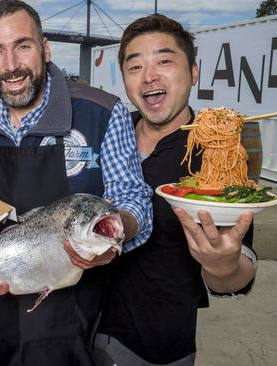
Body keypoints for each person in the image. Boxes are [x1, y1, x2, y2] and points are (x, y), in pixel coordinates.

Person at [0, 1, 153, 365]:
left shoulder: (101, 112)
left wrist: (114, 234)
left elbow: (133, 198)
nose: (11, 66)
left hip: (74, 321)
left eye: (23, 46)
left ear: (45, 48)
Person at [93, 14, 258, 366]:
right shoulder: (102, 137)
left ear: (194, 73)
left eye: (165, 61)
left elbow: (238, 272)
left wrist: (223, 265)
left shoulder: (217, 156)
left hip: (154, 348)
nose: (150, 76)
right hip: (74, 332)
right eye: (134, 67)